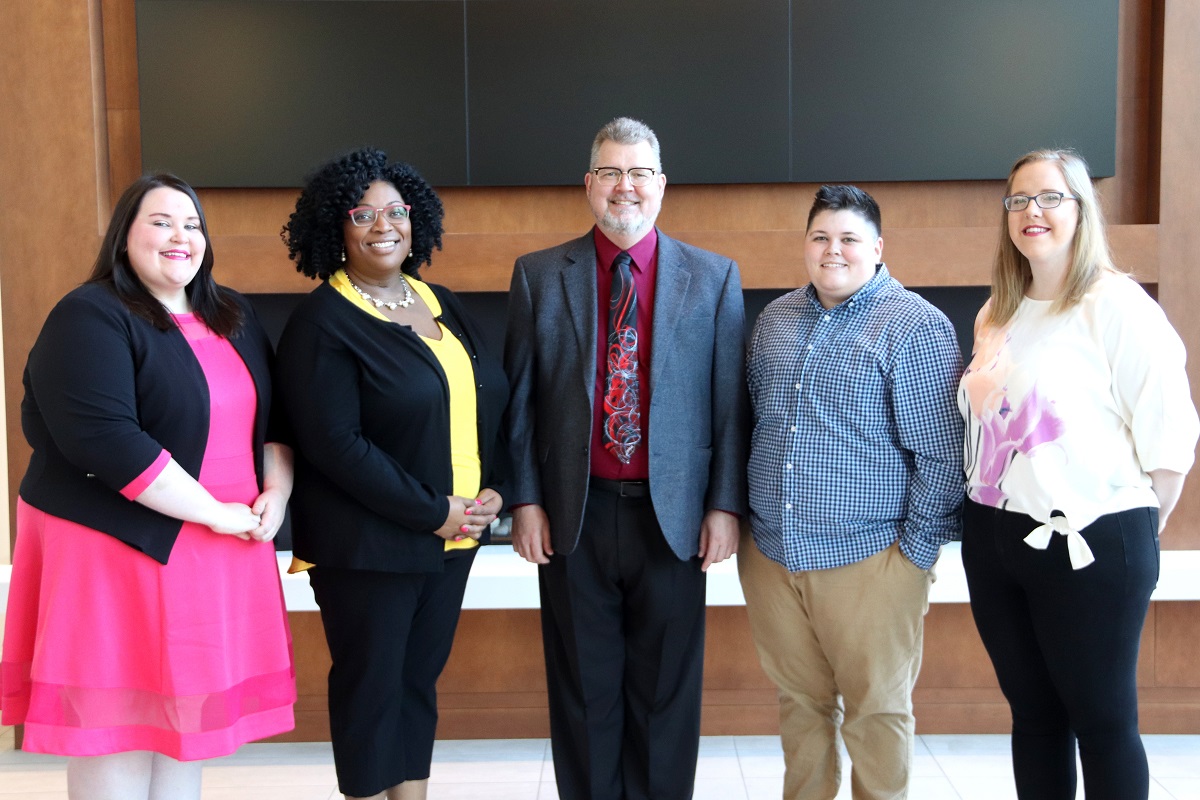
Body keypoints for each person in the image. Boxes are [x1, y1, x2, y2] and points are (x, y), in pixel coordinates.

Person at [0, 174, 296, 799]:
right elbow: (105, 440)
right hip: (112, 546)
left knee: (186, 728)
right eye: (161, 222)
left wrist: (277, 490)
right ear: (125, 236)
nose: (179, 236)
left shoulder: (233, 315)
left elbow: (277, 420)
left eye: (192, 225)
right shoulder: (89, 314)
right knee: (118, 729)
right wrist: (214, 512)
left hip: (218, 545)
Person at [504, 116, 749, 800]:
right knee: (583, 694)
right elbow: (521, 403)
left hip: (671, 520)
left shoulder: (715, 278)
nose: (625, 187)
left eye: (639, 172)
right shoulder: (539, 276)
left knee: (664, 698)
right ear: (589, 184)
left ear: (661, 185)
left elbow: (730, 406)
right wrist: (524, 501)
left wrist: (725, 505)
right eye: (611, 172)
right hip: (572, 518)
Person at [958, 149, 1198, 799]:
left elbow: (1170, 434)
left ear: (1081, 210)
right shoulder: (996, 314)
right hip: (994, 538)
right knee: (1035, 718)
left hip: (1092, 541)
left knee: (1102, 721)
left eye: (1049, 197)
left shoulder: (1112, 303)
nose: (1031, 211)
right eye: (1018, 200)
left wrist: (1137, 522)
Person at [276, 148, 509, 800]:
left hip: (451, 543)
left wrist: (498, 489)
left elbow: (489, 400)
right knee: (371, 691)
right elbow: (336, 446)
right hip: (370, 550)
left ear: (417, 220)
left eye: (397, 210)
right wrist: (435, 510)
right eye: (363, 212)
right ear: (336, 227)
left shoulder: (443, 303)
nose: (384, 224)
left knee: (415, 685)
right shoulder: (322, 323)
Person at [740, 184, 963, 799]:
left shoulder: (916, 325)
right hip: (772, 556)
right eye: (820, 237)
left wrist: (912, 556)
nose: (832, 251)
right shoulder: (775, 320)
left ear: (878, 248)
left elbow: (942, 452)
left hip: (870, 560)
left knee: (877, 713)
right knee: (799, 708)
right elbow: (756, 422)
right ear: (805, 245)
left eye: (848, 239)